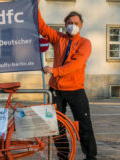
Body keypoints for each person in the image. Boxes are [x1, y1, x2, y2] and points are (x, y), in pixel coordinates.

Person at [38, 10, 97, 160]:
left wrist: (55, 71)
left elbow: (76, 64)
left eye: (76, 23)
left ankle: (90, 157)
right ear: (65, 25)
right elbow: (42, 27)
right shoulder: (58, 38)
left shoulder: (85, 43)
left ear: (81, 25)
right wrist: (35, 5)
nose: (73, 26)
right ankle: (63, 156)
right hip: (56, 90)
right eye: (70, 23)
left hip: (75, 90)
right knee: (56, 126)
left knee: (84, 125)